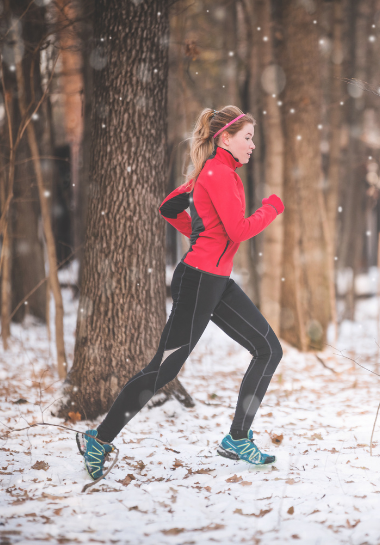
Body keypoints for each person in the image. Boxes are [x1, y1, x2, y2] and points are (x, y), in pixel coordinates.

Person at [76, 105, 285, 480]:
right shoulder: (218, 173)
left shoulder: (218, 173)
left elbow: (169, 206)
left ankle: (237, 438)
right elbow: (237, 230)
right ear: (226, 137)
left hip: (217, 281)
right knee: (163, 368)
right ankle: (99, 438)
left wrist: (198, 228)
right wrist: (270, 208)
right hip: (199, 281)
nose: (253, 146)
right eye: (248, 138)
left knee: (269, 349)